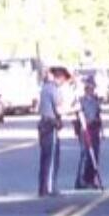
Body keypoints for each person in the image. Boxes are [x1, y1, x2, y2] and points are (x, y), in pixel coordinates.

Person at [37, 66, 76, 197]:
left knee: (45, 158)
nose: (63, 83)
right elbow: (59, 110)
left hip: (44, 124)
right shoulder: (54, 90)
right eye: (64, 80)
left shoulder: (45, 88)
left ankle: (43, 187)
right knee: (52, 159)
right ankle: (49, 188)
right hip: (50, 125)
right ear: (60, 78)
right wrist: (73, 109)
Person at [74, 77, 104, 189]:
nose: (91, 89)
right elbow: (78, 116)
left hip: (95, 129)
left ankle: (91, 179)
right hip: (85, 129)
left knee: (94, 156)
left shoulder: (95, 100)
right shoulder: (81, 101)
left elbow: (98, 115)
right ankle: (80, 181)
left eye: (92, 87)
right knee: (85, 155)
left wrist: (101, 131)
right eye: (89, 87)